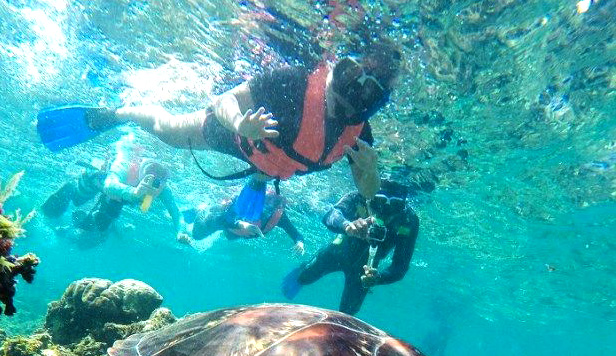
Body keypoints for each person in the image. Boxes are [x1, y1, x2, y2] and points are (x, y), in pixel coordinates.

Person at [37, 43, 402, 200]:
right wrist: (240, 123)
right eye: (352, 75)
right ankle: (116, 114)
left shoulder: (360, 136)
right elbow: (224, 99)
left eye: (371, 91)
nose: (353, 95)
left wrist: (370, 173)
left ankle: (258, 183)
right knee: (168, 131)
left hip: (269, 162)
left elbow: (368, 194)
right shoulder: (293, 81)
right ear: (338, 68)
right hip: (235, 133)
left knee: (266, 173)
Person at [281, 178, 418, 315]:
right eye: (379, 201)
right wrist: (347, 226)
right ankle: (302, 270)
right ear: (370, 198)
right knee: (303, 278)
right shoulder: (358, 197)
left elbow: (400, 266)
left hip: (364, 272)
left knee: (347, 313)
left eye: (395, 205)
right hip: (336, 253)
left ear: (403, 205)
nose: (384, 211)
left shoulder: (408, 220)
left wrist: (378, 278)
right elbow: (330, 215)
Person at [41, 133, 185, 243]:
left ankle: (70, 232)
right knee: (78, 197)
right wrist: (134, 192)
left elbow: (176, 213)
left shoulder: (163, 189)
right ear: (140, 168)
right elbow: (109, 185)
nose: (153, 178)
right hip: (100, 181)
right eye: (150, 172)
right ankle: (65, 194)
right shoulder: (125, 165)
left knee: (100, 226)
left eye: (161, 177)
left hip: (119, 197)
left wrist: (181, 231)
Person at [184, 174, 305, 254]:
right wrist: (242, 225)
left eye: (275, 203)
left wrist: (299, 243)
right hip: (227, 220)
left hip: (235, 231)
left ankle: (203, 213)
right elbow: (228, 218)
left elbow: (296, 234)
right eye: (268, 200)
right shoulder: (249, 203)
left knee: (226, 235)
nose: (270, 205)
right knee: (198, 234)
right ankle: (200, 209)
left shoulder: (279, 216)